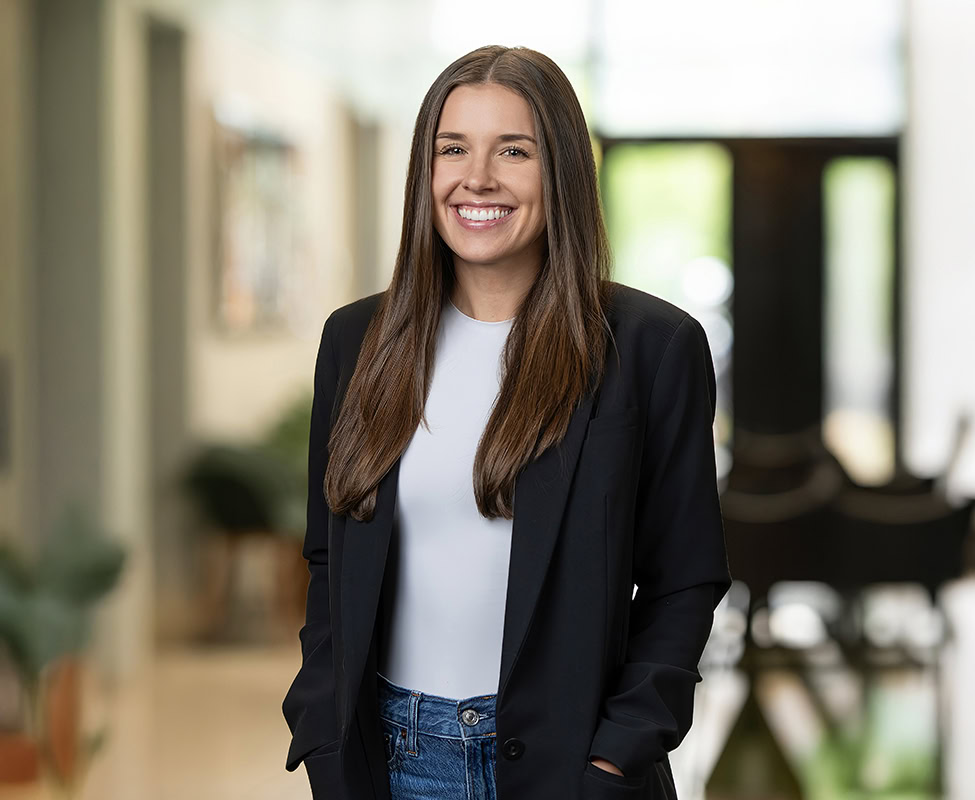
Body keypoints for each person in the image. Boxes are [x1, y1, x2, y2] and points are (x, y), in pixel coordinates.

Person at [282, 44, 732, 800]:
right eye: (451, 148)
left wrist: (616, 755)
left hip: (573, 765)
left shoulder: (653, 348)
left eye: (512, 150)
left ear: (560, 171)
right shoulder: (355, 342)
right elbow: (329, 561)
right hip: (392, 762)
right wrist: (323, 730)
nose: (476, 177)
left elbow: (684, 582)